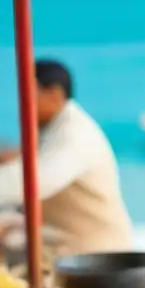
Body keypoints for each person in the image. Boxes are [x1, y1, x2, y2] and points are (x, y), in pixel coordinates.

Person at [0, 59, 132, 254]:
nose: (21, 102)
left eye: (29, 93)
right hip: (64, 246)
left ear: (54, 96)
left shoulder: (73, 136)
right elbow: (29, 160)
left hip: (95, 258)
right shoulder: (55, 127)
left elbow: (27, 182)